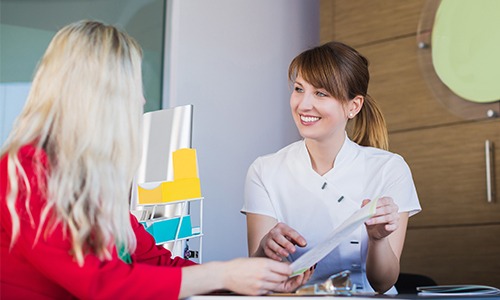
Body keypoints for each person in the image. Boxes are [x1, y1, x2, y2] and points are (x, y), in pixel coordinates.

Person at [0, 20, 312, 299]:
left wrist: (252, 277)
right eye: (133, 89)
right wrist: (223, 274)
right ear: (101, 97)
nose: (141, 100)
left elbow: (158, 263)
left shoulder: (89, 184)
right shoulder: (25, 171)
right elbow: (101, 283)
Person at [242, 41, 421, 294]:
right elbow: (259, 277)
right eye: (298, 89)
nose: (303, 105)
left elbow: (383, 282)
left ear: (353, 106)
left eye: (321, 93)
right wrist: (265, 249)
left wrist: (378, 239)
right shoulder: (264, 170)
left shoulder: (389, 168)